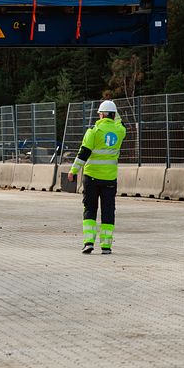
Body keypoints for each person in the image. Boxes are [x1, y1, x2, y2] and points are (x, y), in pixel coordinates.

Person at [68, 100, 126, 255]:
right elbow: (119, 122)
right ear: (114, 115)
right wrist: (113, 111)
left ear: (101, 114)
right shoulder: (120, 131)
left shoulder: (93, 131)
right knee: (108, 211)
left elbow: (83, 154)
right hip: (110, 179)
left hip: (92, 178)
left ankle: (88, 242)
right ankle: (106, 246)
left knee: (90, 209)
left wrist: (73, 171)